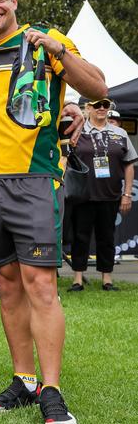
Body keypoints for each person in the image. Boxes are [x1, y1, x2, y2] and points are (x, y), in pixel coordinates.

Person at [0, 0, 107, 424]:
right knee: (5, 285)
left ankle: (52, 391)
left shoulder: (46, 41)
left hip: (36, 180)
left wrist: (59, 55)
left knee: (40, 284)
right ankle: (24, 380)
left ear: (14, 0)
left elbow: (97, 88)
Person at [69, 99, 136, 291]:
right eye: (97, 105)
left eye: (105, 105)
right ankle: (77, 279)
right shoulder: (77, 131)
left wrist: (127, 194)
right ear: (88, 108)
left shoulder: (120, 133)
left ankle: (107, 278)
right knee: (80, 236)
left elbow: (129, 164)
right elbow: (66, 158)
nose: (101, 108)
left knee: (106, 237)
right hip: (83, 195)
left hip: (110, 194)